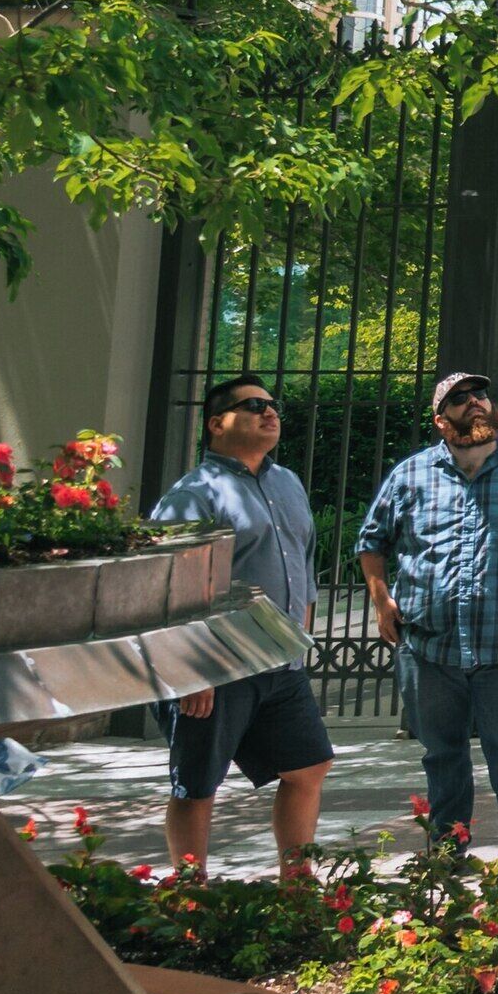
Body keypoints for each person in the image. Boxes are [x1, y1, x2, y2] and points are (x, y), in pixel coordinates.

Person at [145, 374, 332, 873]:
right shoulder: (194, 494)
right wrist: (193, 671)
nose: (268, 413)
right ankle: (190, 891)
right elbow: (170, 588)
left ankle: (297, 886)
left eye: (272, 405)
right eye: (253, 406)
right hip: (216, 667)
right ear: (216, 424)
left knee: (309, 765)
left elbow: (304, 564)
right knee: (198, 784)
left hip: (279, 660)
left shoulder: (286, 482)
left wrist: (299, 640)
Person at [356, 374, 498, 850]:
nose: (475, 403)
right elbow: (371, 542)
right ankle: (446, 858)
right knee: (442, 756)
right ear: (441, 421)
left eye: (481, 394)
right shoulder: (410, 474)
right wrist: (382, 602)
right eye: (459, 400)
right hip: (427, 646)